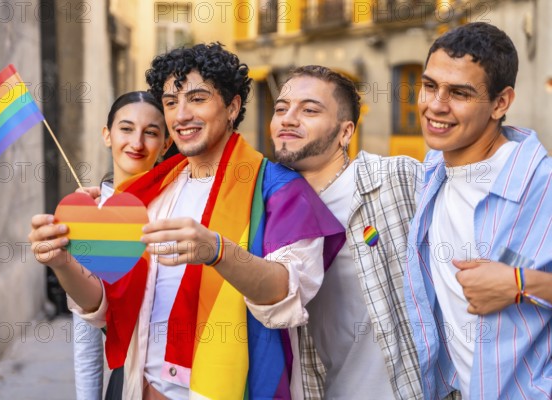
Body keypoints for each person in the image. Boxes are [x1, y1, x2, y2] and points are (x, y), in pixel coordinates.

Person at [29, 43, 345, 400]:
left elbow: (288, 294)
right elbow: (105, 305)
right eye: (170, 102)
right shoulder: (149, 192)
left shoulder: (280, 190)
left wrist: (217, 250)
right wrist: (62, 263)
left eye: (196, 99)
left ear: (232, 107)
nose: (180, 115)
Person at [403, 22, 552, 399]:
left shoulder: (542, 185)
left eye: (460, 93)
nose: (436, 105)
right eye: (430, 86)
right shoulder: (434, 169)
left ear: (500, 103)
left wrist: (519, 284)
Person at [269, 65, 423, 399]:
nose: (288, 118)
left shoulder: (397, 180)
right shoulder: (268, 210)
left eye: (309, 110)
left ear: (345, 132)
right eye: (281, 109)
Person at [70, 91, 172, 400]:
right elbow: (86, 335)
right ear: (107, 135)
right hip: (125, 378)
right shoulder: (88, 216)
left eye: (151, 133)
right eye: (126, 129)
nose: (137, 143)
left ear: (166, 144)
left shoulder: (178, 206)